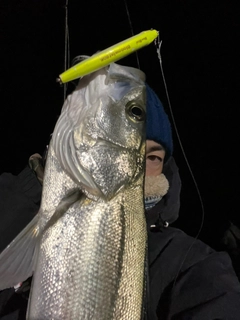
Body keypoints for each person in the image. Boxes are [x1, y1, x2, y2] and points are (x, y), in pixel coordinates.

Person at [0, 83, 240, 320]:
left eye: (152, 157)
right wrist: (35, 189)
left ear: (164, 169)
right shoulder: (23, 210)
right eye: (106, 144)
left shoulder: (191, 264)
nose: (131, 168)